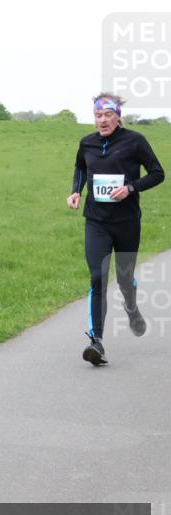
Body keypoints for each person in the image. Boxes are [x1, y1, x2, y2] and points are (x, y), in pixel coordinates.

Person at [66, 93, 164, 365]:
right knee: (98, 276)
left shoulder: (135, 141)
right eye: (98, 115)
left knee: (123, 278)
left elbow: (158, 173)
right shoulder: (87, 143)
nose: (102, 120)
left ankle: (130, 305)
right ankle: (96, 342)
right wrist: (75, 191)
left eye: (108, 115)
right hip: (96, 221)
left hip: (127, 222)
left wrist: (131, 188)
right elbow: (81, 168)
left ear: (118, 116)